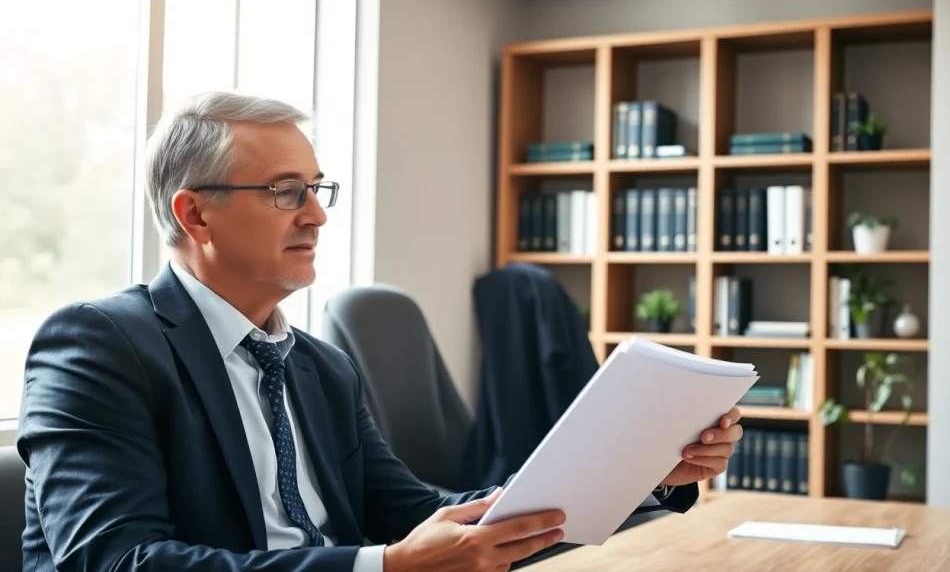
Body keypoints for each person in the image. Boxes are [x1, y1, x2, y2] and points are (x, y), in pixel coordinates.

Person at [16, 91, 744, 572]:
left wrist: (642, 474)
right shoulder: (99, 344)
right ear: (195, 215)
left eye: (316, 188)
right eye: (284, 192)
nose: (316, 214)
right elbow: (115, 560)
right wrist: (386, 566)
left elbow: (424, 515)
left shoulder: (320, 367)